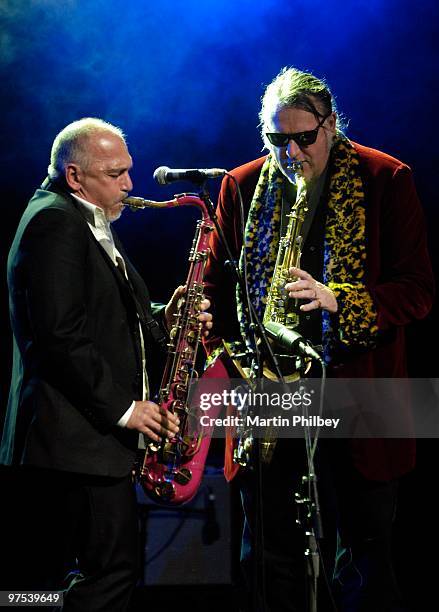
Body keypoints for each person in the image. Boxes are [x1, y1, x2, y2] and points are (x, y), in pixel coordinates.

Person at [203, 67, 434, 611]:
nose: (292, 155)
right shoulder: (239, 185)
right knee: (270, 555)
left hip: (361, 395)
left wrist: (340, 299)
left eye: (304, 139)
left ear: (331, 126)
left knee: (364, 559)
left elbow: (418, 291)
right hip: (273, 394)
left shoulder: (386, 178)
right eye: (277, 141)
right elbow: (214, 286)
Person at [0, 117, 212, 611]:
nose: (130, 185)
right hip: (76, 440)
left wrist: (166, 316)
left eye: (128, 171)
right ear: (75, 177)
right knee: (109, 573)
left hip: (84, 440)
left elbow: (101, 319)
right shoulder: (55, 222)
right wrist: (126, 409)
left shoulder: (79, 220)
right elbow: (59, 337)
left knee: (72, 576)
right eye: (115, 174)